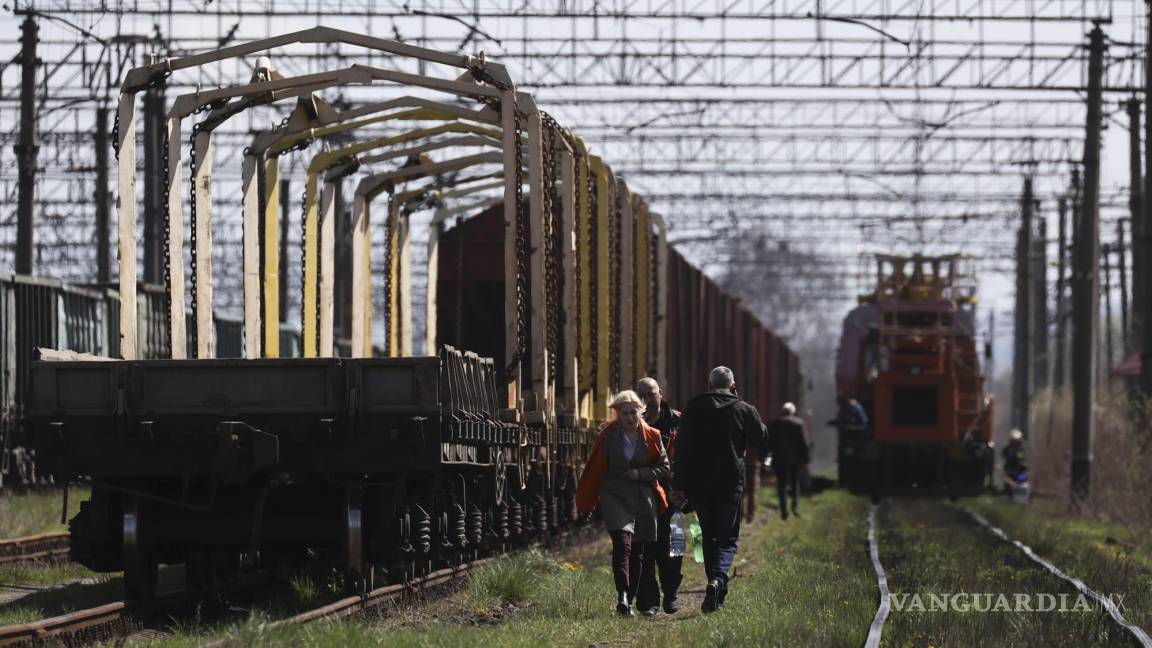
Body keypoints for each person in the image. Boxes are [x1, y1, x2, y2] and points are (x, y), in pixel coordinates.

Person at [671, 366, 768, 614]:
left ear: (709, 384)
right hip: (729, 484)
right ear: (732, 384)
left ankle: (715, 588)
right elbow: (762, 438)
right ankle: (717, 580)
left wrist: (679, 485)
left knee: (710, 536)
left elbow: (681, 449)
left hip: (699, 485)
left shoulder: (693, 408)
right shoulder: (743, 408)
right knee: (727, 539)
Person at [575, 390, 670, 617]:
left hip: (642, 498)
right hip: (614, 496)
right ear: (617, 414)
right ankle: (622, 596)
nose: (629, 417)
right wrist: (589, 503)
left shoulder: (653, 436)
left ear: (640, 411)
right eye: (624, 413)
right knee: (622, 545)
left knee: (637, 551)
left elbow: (664, 468)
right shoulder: (608, 436)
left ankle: (630, 597)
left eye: (632, 412)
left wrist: (641, 473)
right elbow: (596, 470)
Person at [634, 377, 684, 615]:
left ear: (660, 393)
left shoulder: (678, 421)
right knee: (645, 550)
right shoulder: (630, 421)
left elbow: (691, 457)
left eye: (650, 393)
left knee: (674, 547)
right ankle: (648, 603)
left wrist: (686, 489)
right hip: (643, 496)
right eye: (641, 394)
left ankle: (671, 593)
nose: (646, 399)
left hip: (674, 495)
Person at [767, 402, 809, 520]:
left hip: (779, 459)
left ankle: (784, 510)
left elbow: (769, 444)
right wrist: (806, 459)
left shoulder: (775, 424)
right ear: (793, 412)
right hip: (795, 460)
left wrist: (766, 459)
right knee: (795, 483)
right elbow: (804, 443)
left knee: (781, 485)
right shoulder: (798, 423)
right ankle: (795, 508)